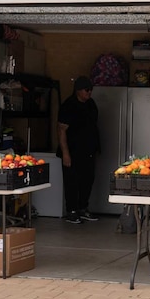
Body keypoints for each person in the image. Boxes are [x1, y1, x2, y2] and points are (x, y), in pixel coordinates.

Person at [57, 76, 100, 224]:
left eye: (91, 90)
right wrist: (65, 153)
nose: (89, 93)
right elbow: (61, 130)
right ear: (78, 91)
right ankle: (72, 211)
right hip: (72, 150)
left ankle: (83, 208)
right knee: (72, 181)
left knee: (87, 180)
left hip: (88, 150)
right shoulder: (69, 106)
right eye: (87, 90)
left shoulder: (91, 104)